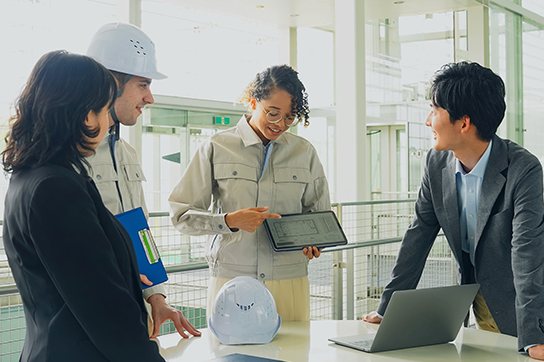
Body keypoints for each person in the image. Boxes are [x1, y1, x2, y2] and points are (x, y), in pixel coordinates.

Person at [362, 61, 544, 360]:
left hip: (529, 307)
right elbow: (418, 235)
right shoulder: (437, 165)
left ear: (463, 123)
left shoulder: (523, 168)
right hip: (481, 304)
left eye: (435, 110)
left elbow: (528, 252)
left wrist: (534, 336)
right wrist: (387, 309)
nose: (427, 120)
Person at [1, 50, 164, 362]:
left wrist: (126, 274)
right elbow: (103, 307)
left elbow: (73, 273)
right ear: (86, 116)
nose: (106, 122)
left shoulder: (30, 176)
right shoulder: (56, 188)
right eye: (104, 111)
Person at [168, 64, 331, 321]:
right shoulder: (217, 147)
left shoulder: (305, 152)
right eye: (273, 113)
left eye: (290, 117)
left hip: (289, 279)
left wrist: (314, 240)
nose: (281, 124)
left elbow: (319, 214)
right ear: (253, 101)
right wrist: (229, 221)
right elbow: (181, 215)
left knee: (293, 355)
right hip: (232, 278)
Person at [86, 22, 200, 339]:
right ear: (111, 83)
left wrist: (157, 298)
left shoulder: (126, 153)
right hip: (92, 316)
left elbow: (140, 231)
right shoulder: (68, 160)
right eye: (143, 84)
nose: (150, 97)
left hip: (132, 310)